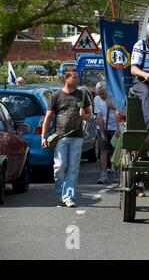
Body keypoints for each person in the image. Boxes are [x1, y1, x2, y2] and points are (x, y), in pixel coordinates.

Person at [41, 71, 91, 208]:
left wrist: (85, 115)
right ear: (67, 79)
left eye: (77, 77)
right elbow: (48, 117)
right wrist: (43, 136)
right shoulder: (56, 96)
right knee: (60, 166)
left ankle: (68, 197)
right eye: (74, 78)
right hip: (61, 136)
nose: (77, 79)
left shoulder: (82, 94)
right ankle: (60, 190)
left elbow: (89, 114)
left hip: (77, 136)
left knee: (73, 168)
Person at [94, 81, 120, 184]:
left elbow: (121, 112)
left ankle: (117, 173)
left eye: (103, 93)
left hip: (115, 127)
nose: (101, 95)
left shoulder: (114, 97)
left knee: (115, 152)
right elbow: (99, 116)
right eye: (99, 94)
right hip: (104, 127)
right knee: (103, 151)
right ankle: (103, 175)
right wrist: (102, 132)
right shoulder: (97, 99)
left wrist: (118, 129)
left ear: (107, 91)